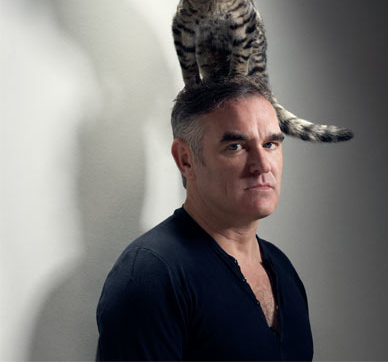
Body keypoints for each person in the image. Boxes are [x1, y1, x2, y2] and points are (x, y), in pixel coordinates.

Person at [96, 78, 314, 361]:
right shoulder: (152, 275)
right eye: (236, 146)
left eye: (270, 144)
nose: (262, 165)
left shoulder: (282, 268)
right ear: (185, 160)